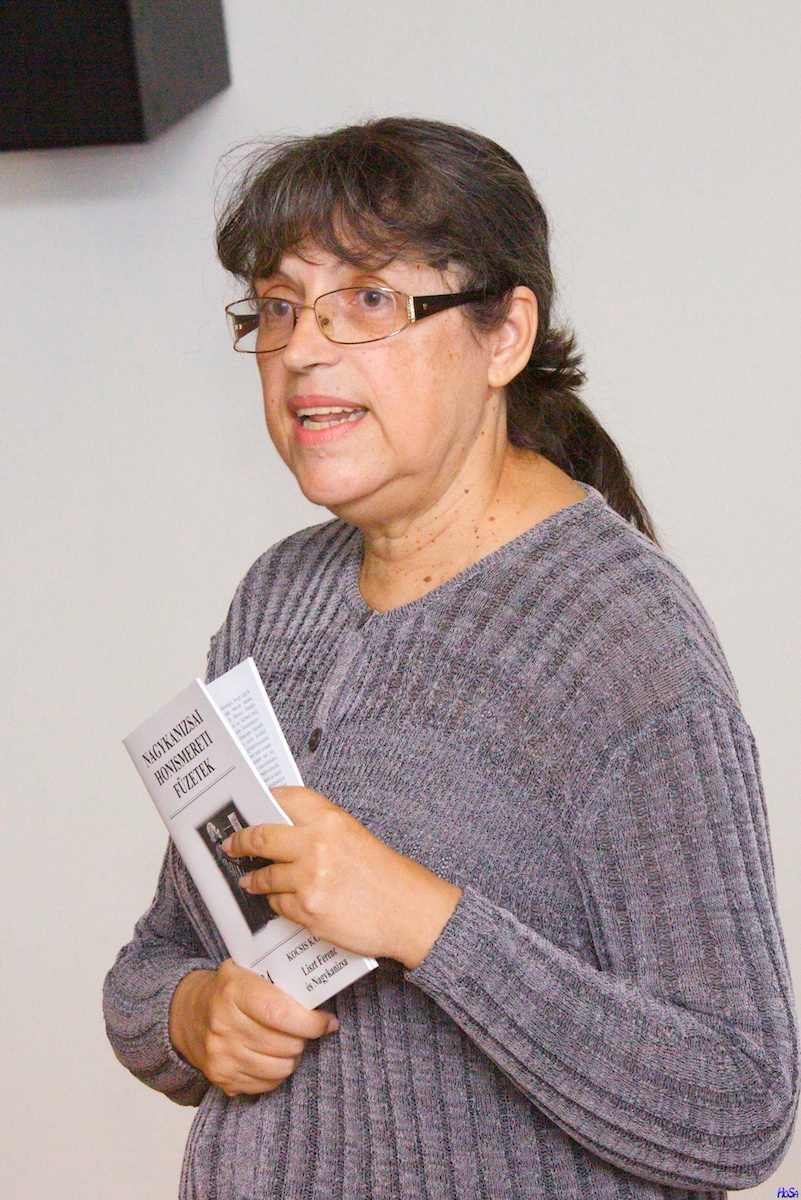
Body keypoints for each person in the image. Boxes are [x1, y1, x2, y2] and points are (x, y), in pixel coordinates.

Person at [104, 117, 798, 1200]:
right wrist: (191, 1016)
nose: (303, 350)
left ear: (504, 335)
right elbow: (158, 956)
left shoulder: (621, 635)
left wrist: (422, 920)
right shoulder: (276, 596)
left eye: (368, 301)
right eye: (279, 307)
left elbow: (739, 1101)